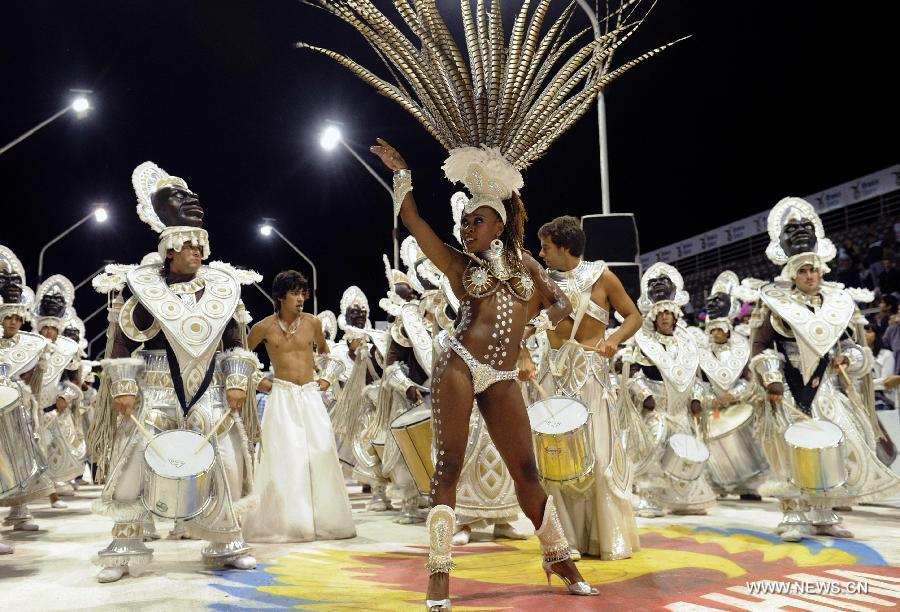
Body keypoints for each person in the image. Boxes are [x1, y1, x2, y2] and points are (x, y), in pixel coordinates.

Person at [91, 161, 260, 582]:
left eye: (200, 246)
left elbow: (237, 339)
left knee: (221, 456)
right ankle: (126, 543)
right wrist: (124, 387)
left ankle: (225, 540)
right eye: (190, 247)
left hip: (209, 387)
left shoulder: (223, 285)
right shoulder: (142, 286)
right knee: (136, 457)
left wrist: (238, 381)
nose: (198, 252)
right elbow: (122, 341)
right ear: (171, 249)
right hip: (155, 386)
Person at [750, 197, 900, 542]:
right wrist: (771, 379)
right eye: (802, 270)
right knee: (790, 448)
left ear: (822, 270)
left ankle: (823, 511)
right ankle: (793, 515)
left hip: (825, 387)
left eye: (813, 269)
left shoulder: (837, 301)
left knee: (834, 444)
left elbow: (851, 344)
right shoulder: (773, 299)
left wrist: (848, 358)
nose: (809, 275)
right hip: (787, 386)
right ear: (792, 273)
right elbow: (760, 345)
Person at [534, 215, 642, 560]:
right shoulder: (540, 281)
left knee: (597, 455)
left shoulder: (602, 277)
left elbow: (634, 316)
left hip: (592, 377)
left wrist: (613, 339)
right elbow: (522, 326)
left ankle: (605, 537)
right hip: (553, 377)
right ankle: (565, 541)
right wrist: (522, 355)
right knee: (556, 458)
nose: (541, 253)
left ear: (566, 248)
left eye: (546, 247)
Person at [241, 271, 355, 543]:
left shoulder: (313, 323)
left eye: (303, 293)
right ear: (281, 296)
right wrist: (259, 381)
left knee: (322, 452)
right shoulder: (264, 327)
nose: (301, 298)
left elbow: (328, 355)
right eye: (294, 293)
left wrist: (326, 378)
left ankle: (327, 524)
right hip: (281, 396)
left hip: (310, 395)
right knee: (285, 456)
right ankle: (290, 525)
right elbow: (240, 357)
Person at [626, 263, 716, 516]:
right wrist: (645, 396)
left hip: (680, 410)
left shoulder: (689, 341)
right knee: (652, 448)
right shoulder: (641, 340)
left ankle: (684, 499)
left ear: (675, 316)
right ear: (654, 317)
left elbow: (698, 377)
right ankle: (648, 495)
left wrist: (697, 399)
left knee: (685, 449)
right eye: (660, 315)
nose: (665, 318)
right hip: (655, 407)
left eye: (669, 314)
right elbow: (631, 372)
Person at [0, 245, 55, 551]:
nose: (13, 323)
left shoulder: (31, 347)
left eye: (17, 319)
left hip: (16, 414)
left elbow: (35, 382)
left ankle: (19, 511)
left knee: (20, 462)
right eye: (8, 318)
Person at [696, 271, 767, 500]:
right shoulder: (701, 352)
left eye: (720, 329)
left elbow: (750, 378)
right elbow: (698, 382)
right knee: (713, 441)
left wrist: (734, 395)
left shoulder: (742, 346)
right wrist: (711, 400)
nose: (717, 333)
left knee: (743, 446)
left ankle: (748, 485)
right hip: (714, 408)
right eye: (713, 330)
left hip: (739, 404)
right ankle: (717, 484)